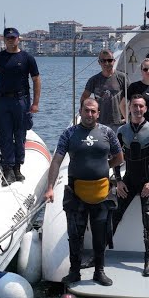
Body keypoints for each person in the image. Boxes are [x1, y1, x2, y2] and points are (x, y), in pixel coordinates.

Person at [45, 97, 123, 286]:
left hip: (101, 192)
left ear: (98, 113)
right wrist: (49, 188)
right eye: (86, 110)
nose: (89, 114)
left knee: (100, 234)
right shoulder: (69, 133)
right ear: (80, 111)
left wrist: (104, 166)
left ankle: (99, 271)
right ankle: (74, 272)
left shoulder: (108, 132)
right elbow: (56, 161)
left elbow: (119, 157)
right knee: (75, 235)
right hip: (76, 192)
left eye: (93, 111)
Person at [0, 27, 42, 184]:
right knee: (5, 134)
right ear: (4, 40)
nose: (11, 40)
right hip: (2, 101)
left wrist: (35, 103)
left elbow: (36, 80)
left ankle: (17, 168)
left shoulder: (27, 58)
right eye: (8, 38)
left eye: (13, 38)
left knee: (20, 135)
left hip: (21, 101)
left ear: (18, 39)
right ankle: (8, 168)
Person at [111, 95, 149, 277]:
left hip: (147, 182)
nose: (138, 109)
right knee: (114, 214)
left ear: (145, 109)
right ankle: (99, 255)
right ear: (129, 108)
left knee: (148, 219)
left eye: (141, 106)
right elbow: (115, 158)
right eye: (134, 106)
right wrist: (118, 181)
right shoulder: (121, 131)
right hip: (128, 181)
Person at [82, 52, 128, 132]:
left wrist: (128, 117)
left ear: (114, 61)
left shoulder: (122, 78)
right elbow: (84, 97)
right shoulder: (94, 80)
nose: (107, 63)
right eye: (103, 61)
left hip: (119, 123)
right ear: (99, 62)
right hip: (99, 123)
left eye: (109, 60)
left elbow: (131, 97)